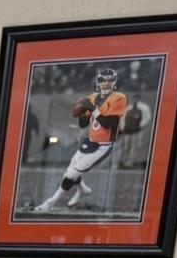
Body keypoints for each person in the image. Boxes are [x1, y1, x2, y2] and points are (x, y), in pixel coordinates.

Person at [32, 67, 126, 213]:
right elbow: (83, 124)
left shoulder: (118, 98)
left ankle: (50, 202)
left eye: (110, 80)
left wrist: (92, 108)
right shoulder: (93, 97)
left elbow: (108, 124)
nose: (106, 83)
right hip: (90, 141)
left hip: (104, 144)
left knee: (71, 174)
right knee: (70, 171)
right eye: (103, 80)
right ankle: (83, 189)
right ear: (98, 82)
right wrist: (82, 112)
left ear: (114, 82)